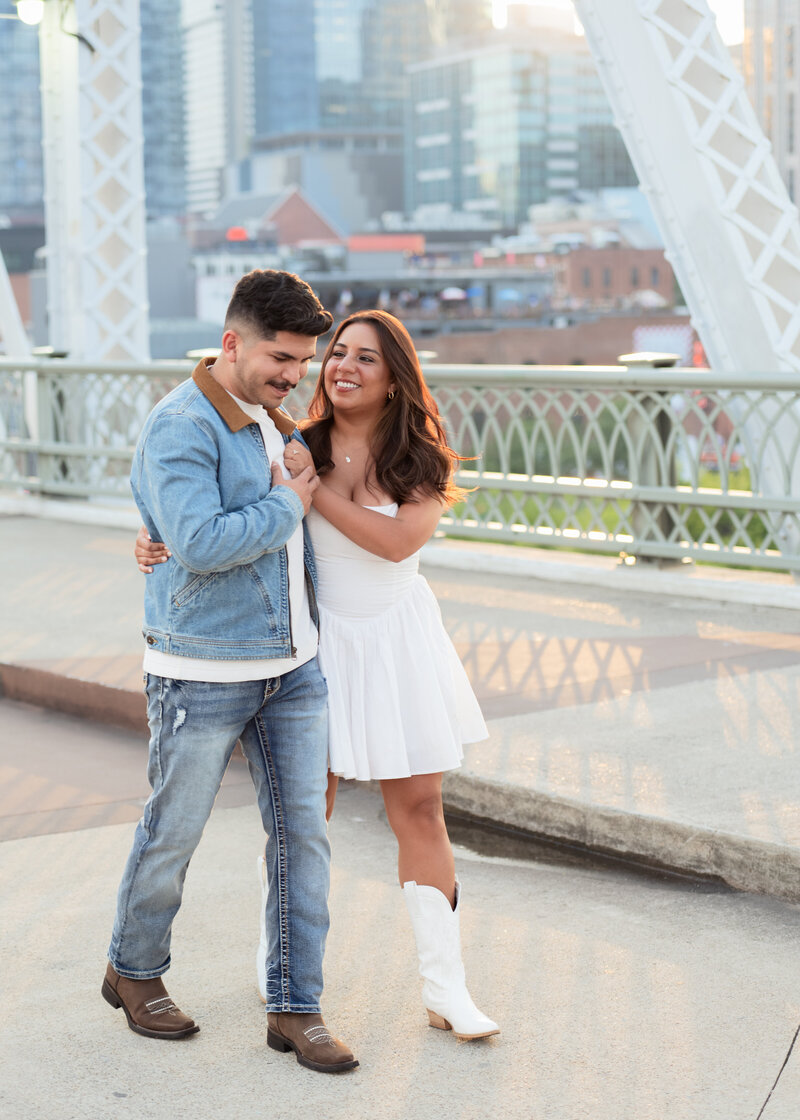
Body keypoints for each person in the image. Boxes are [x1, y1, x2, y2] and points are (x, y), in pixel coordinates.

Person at [138, 310, 500, 1041]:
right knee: (304, 818)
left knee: (421, 811)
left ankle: (447, 990)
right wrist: (149, 542)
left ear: (396, 377)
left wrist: (313, 491)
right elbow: (207, 516)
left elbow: (398, 542)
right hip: (312, 649)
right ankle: (285, 974)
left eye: (366, 358)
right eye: (337, 354)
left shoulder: (421, 459)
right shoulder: (289, 441)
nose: (344, 366)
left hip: (399, 647)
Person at [106, 269, 358, 1075]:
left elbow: (186, 530)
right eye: (281, 357)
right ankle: (134, 968)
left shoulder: (268, 417)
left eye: (304, 361)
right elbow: (205, 540)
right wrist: (291, 502)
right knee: (172, 831)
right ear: (231, 343)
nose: (295, 374)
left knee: (303, 840)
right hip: (201, 669)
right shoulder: (180, 425)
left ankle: (295, 1006)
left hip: (293, 666)